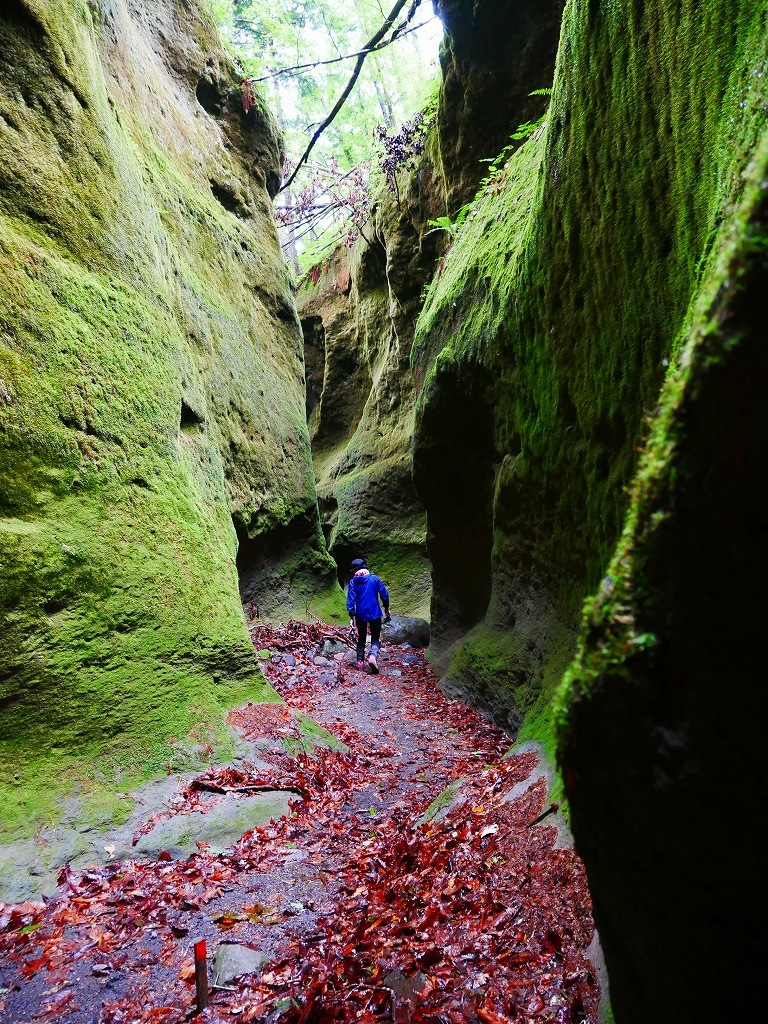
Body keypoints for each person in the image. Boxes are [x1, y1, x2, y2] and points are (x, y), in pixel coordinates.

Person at [346, 557, 390, 673]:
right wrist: (386, 607)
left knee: (362, 638)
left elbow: (351, 600)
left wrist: (352, 615)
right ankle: (372, 656)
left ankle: (360, 662)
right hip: (375, 612)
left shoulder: (353, 582)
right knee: (375, 637)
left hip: (360, 614)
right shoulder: (374, 579)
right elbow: (384, 593)